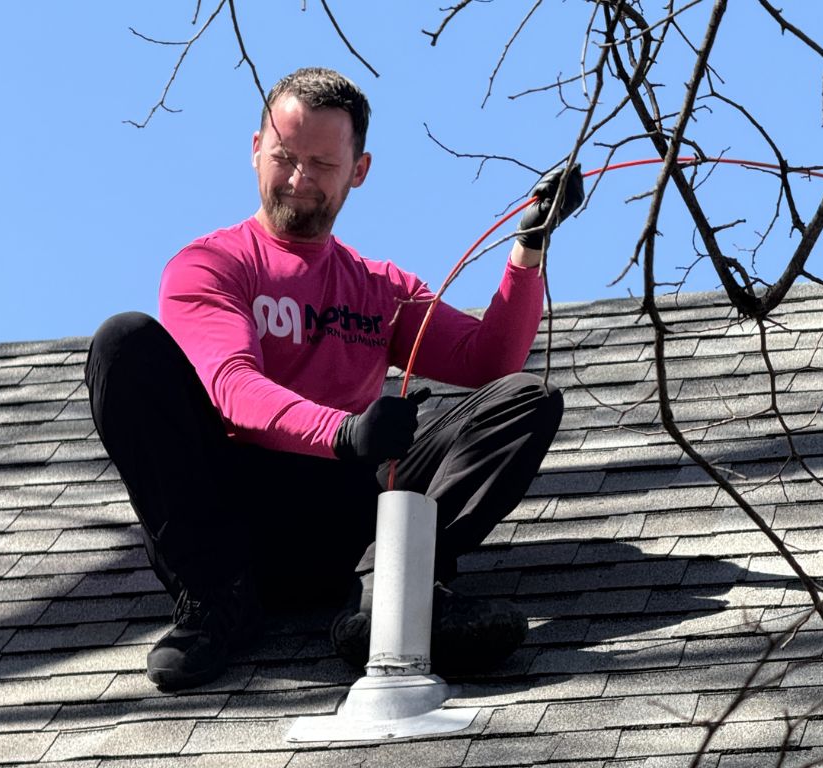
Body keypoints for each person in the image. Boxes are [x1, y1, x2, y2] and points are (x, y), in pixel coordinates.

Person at [84, 67, 584, 691]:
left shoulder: (378, 288)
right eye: (283, 156)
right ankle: (218, 602)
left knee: (524, 401)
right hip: (234, 519)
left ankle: (391, 590)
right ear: (254, 149)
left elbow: (488, 361)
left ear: (359, 170)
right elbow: (233, 387)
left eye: (321, 163)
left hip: (348, 527)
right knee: (123, 343)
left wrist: (527, 251)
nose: (297, 179)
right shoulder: (210, 264)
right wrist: (348, 432)